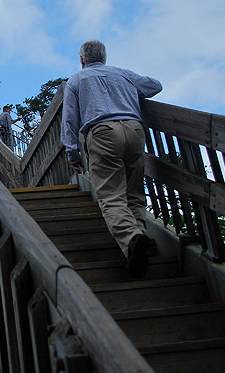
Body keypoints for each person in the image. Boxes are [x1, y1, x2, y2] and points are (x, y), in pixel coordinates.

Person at [61, 39, 162, 277]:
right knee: (134, 192)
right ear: (104, 58)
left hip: (102, 133)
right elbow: (155, 86)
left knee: (111, 196)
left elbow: (70, 120)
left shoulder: (76, 80)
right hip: (134, 129)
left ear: (82, 59)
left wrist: (72, 153)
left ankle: (132, 240)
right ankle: (141, 242)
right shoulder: (123, 74)